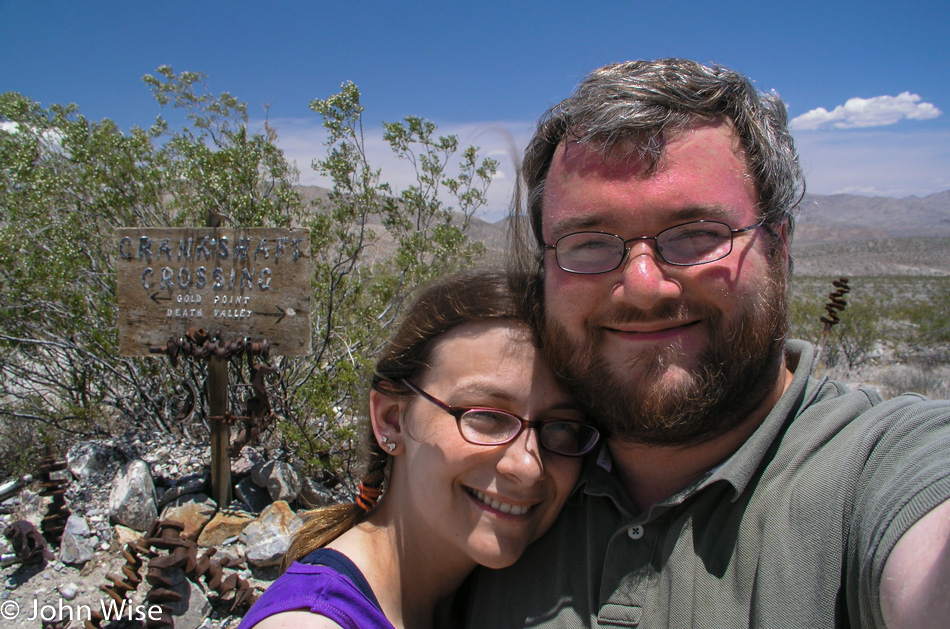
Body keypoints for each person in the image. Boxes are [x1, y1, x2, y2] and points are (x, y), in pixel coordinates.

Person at [465, 59, 950, 628]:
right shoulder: (499, 487)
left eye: (698, 235)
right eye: (588, 242)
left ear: (779, 248)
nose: (643, 287)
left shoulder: (882, 467)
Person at [239, 271, 600, 629]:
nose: (528, 466)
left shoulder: (478, 599)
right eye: (487, 416)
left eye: (562, 427)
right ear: (391, 419)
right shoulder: (310, 622)